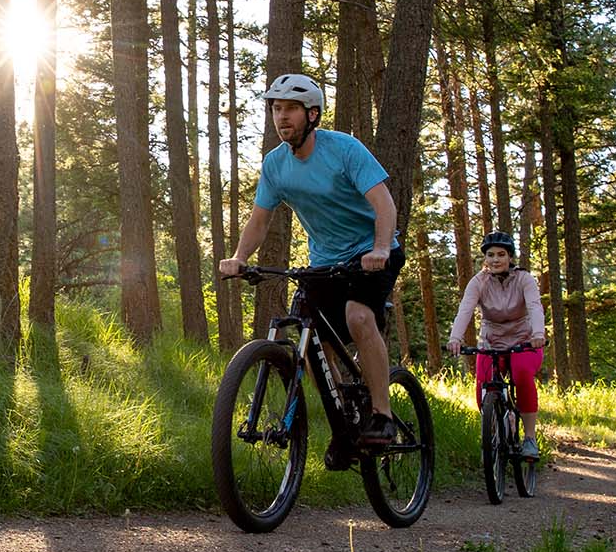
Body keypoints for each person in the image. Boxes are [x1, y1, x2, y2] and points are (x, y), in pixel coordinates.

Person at [217, 73, 403, 458]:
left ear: (313, 114)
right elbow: (260, 220)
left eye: (290, 109)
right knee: (314, 336)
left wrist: (381, 248)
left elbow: (384, 205)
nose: (281, 117)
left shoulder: (344, 150)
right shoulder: (275, 165)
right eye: (276, 109)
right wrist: (239, 258)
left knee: (357, 316)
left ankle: (382, 414)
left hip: (372, 251)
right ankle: (345, 422)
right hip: (325, 261)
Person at [446, 232, 548, 459]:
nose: (495, 259)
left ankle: (529, 439)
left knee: (522, 375)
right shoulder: (478, 282)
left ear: (510, 257)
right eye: (490, 255)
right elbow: (465, 310)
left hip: (525, 340)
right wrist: (455, 338)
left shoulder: (525, 279)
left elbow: (534, 306)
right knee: (483, 387)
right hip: (492, 341)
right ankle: (493, 434)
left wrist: (538, 334)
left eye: (501, 255)